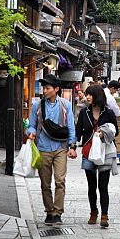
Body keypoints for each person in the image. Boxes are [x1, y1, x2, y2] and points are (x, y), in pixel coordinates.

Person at [26, 74, 77, 225]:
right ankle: (49, 211)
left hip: (61, 148)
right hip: (43, 148)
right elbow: (31, 125)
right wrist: (31, 132)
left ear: (56, 89)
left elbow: (71, 127)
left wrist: (72, 146)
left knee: (60, 181)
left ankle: (58, 212)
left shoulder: (65, 105)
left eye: (47, 88)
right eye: (44, 88)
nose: (45, 91)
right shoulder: (37, 106)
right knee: (45, 183)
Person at [76, 85, 118, 228]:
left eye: (90, 94)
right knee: (91, 185)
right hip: (88, 152)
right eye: (87, 94)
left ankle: (104, 215)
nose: (87, 97)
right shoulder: (84, 112)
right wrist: (72, 146)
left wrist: (103, 133)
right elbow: (78, 131)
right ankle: (93, 211)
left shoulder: (109, 113)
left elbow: (115, 131)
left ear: (98, 96)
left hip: (104, 152)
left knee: (103, 186)